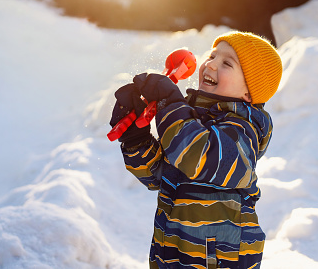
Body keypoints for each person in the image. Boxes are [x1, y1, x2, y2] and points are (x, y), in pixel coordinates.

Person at [109, 31, 283, 268]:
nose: (211, 64)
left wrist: (169, 103)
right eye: (212, 55)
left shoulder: (244, 130)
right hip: (172, 252)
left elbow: (198, 156)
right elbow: (159, 176)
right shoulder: (191, 121)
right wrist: (135, 139)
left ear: (249, 92)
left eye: (226, 63)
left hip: (220, 259)